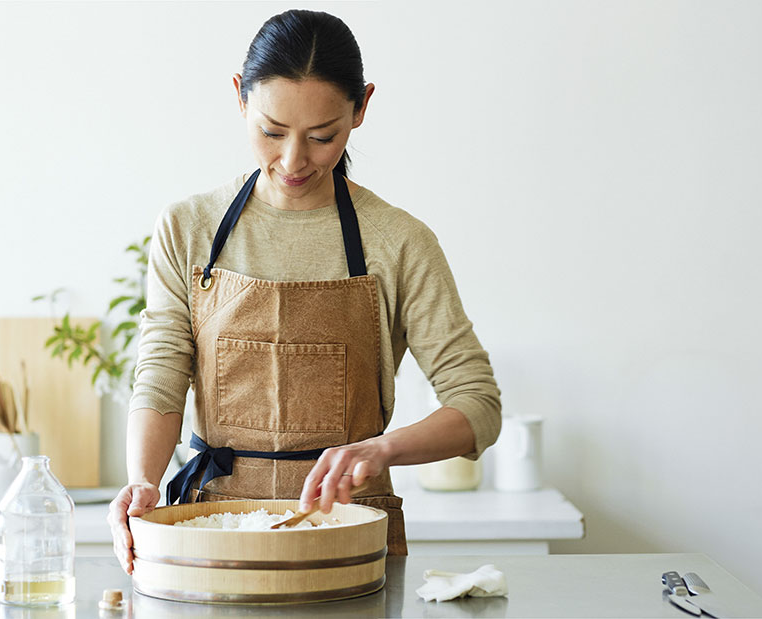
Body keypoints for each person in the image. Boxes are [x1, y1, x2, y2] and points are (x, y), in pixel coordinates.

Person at [107, 9, 501, 574]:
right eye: (271, 132)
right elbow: (163, 371)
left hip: (350, 533)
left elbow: (478, 405)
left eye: (323, 137)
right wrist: (142, 481)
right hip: (213, 532)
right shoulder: (187, 227)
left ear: (361, 108)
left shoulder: (399, 241)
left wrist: (379, 450)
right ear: (240, 96)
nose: (293, 161)